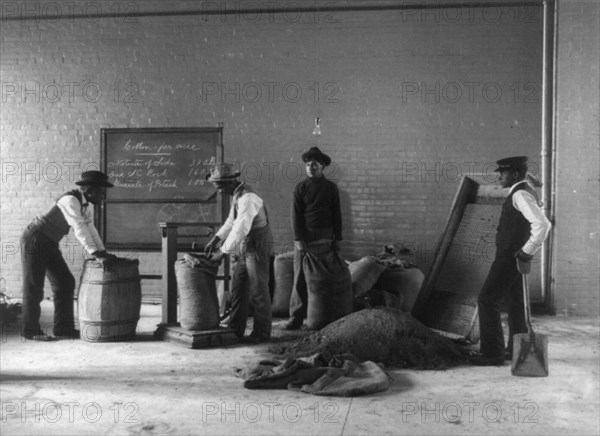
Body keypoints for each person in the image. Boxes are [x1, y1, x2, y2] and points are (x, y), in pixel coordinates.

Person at [472, 156, 552, 366]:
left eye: (502, 172)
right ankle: (516, 350)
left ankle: (492, 355)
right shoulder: (523, 190)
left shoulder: (521, 195)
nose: (498, 175)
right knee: (515, 303)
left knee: (487, 300)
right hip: (513, 256)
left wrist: (527, 251)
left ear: (515, 174)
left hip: (510, 257)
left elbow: (543, 225)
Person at [20, 170, 118, 341]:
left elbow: (90, 229)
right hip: (35, 240)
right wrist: (95, 253)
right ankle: (30, 331)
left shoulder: (85, 205)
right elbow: (79, 227)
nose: (103, 196)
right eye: (101, 192)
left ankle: (63, 329)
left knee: (65, 282)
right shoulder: (70, 200)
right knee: (34, 287)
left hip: (49, 243)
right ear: (89, 190)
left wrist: (103, 252)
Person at [204, 163, 273, 343]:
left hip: (257, 246)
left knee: (258, 290)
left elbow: (240, 229)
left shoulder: (248, 198)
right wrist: (216, 238)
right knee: (238, 288)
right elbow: (231, 221)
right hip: (245, 245)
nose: (219, 191)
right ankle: (236, 328)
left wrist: (221, 253)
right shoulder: (237, 195)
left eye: (219, 187)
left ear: (229, 182)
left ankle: (262, 333)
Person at [284, 147, 343, 330]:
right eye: (308, 165)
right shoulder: (300, 188)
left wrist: (338, 238)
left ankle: (325, 317)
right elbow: (295, 215)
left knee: (326, 278)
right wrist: (298, 238)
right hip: (305, 240)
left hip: (326, 239)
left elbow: (336, 214)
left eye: (315, 165)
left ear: (322, 167)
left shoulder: (331, 188)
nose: (311, 168)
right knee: (300, 279)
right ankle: (295, 319)